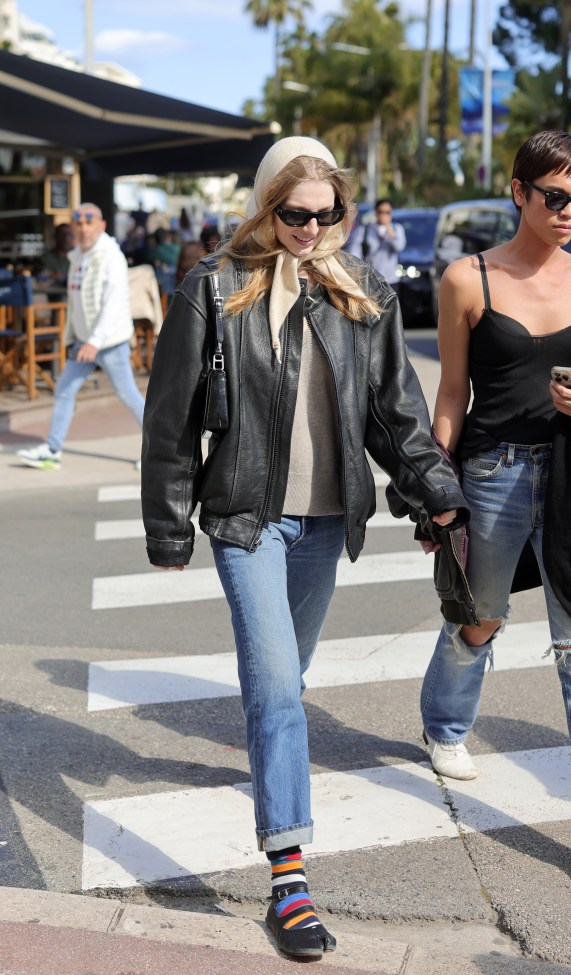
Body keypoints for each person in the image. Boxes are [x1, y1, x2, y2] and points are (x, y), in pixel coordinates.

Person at [141, 136, 468, 958]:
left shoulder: (364, 292)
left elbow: (396, 416)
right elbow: (171, 419)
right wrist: (168, 525)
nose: (312, 230)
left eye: (328, 215)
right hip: (248, 519)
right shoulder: (212, 291)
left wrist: (443, 496)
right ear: (265, 207)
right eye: (295, 214)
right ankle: (289, 880)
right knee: (282, 690)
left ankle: (265, 748)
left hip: (326, 523)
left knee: (286, 675)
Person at [417, 130, 571, 875]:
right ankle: (443, 722)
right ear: (519, 192)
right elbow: (452, 393)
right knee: (481, 616)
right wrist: (436, 490)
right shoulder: (468, 279)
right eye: (556, 197)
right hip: (492, 474)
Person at [17, 204, 145, 471]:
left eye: (89, 221)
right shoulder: (77, 257)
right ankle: (52, 450)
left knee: (128, 395)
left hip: (108, 341)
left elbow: (113, 304)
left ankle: (159, 453)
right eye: (78, 222)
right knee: (64, 390)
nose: (84, 227)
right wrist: (79, 339)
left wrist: (93, 341)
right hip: (85, 341)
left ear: (101, 225)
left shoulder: (111, 256)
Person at [348, 197, 406, 285]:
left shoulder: (397, 229)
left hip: (390, 280)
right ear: (376, 212)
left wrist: (389, 230)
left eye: (387, 212)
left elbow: (399, 246)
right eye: (381, 212)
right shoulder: (365, 229)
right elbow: (354, 251)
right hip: (370, 279)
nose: (384, 215)